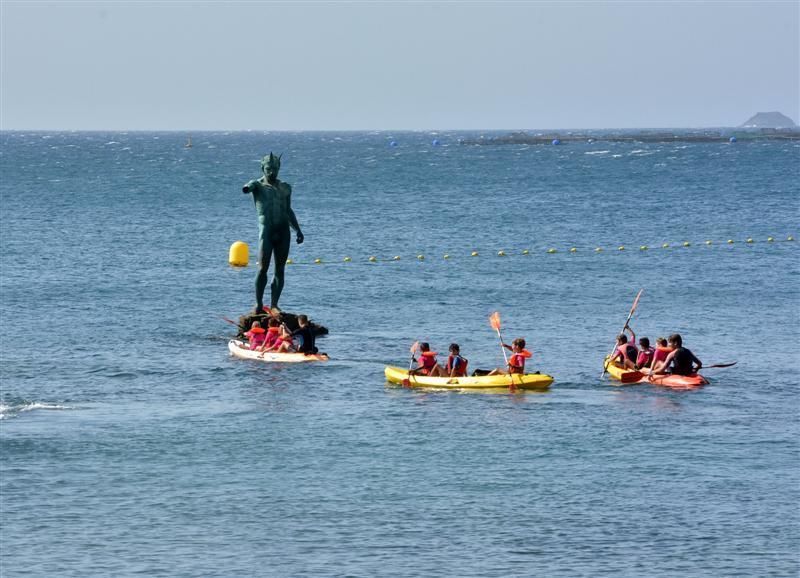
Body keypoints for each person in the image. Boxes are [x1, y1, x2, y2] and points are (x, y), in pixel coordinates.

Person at [242, 152, 304, 314]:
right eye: (268, 169)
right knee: (262, 268)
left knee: (280, 269)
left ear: (279, 168)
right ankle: (258, 304)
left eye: (274, 169)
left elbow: (288, 210)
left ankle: (275, 304)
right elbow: (248, 187)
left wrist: (298, 230)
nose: (272, 172)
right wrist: (248, 187)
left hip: (283, 230)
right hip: (266, 231)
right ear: (262, 168)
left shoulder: (285, 187)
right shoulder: (257, 185)